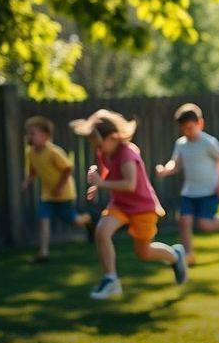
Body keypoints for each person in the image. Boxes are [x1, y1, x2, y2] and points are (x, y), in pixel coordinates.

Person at [70, 109, 188, 299]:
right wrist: (99, 184)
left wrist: (102, 183)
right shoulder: (105, 152)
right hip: (120, 204)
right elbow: (110, 171)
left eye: (99, 144)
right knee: (102, 231)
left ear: (114, 137)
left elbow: (130, 184)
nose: (97, 150)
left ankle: (175, 256)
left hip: (143, 208)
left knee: (144, 252)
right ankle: (111, 279)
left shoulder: (127, 153)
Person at [154, 103, 219, 265]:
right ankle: (189, 255)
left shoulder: (208, 142)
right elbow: (175, 163)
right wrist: (165, 170)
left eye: (190, 128)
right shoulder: (181, 144)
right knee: (184, 221)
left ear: (200, 124)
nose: (187, 132)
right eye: (184, 129)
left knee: (205, 225)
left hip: (208, 190)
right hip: (189, 192)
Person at [22, 115, 93, 261]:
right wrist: (28, 181)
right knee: (43, 219)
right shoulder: (31, 153)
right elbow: (33, 170)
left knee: (73, 220)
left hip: (64, 193)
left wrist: (60, 187)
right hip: (47, 194)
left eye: (33, 133)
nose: (29, 137)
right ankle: (43, 253)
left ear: (46, 136)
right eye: (28, 133)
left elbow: (68, 168)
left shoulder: (54, 152)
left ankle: (88, 220)